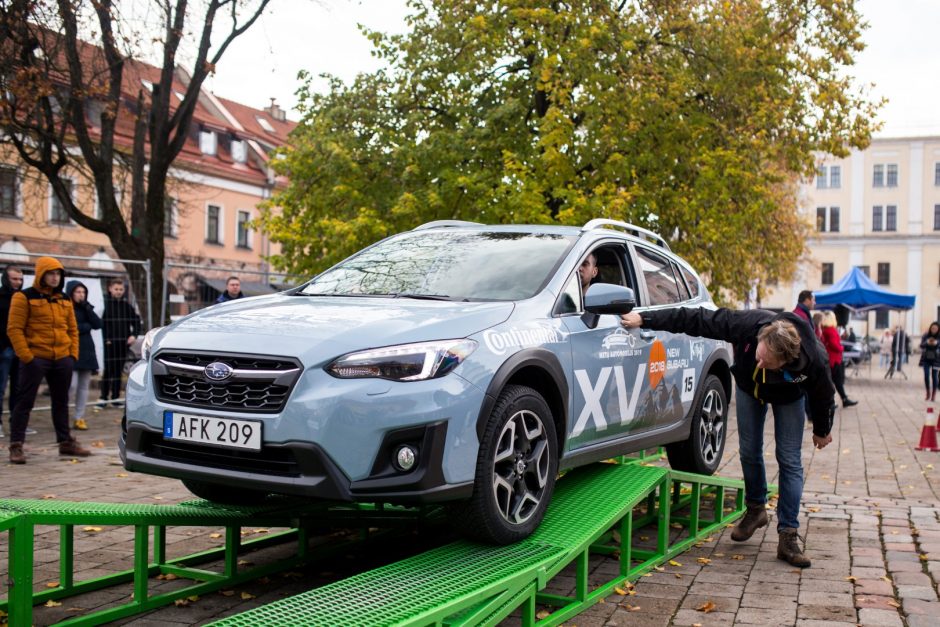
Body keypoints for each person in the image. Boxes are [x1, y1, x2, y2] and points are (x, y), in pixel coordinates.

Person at [621, 307, 835, 568]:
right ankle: (756, 509)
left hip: (789, 397)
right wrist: (646, 318)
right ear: (761, 338)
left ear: (784, 362)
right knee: (748, 450)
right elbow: (698, 319)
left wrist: (822, 430)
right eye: (759, 354)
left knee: (789, 459)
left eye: (766, 362)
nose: (760, 362)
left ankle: (788, 535)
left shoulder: (813, 360)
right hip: (749, 388)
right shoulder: (748, 325)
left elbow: (824, 394)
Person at [6, 257, 91, 463]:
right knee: (24, 401)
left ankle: (65, 443)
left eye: (58, 274)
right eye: (51, 273)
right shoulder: (23, 297)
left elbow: (72, 329)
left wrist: (72, 356)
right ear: (41, 274)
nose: (55, 278)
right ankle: (16, 445)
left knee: (61, 401)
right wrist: (27, 356)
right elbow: (14, 329)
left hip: (62, 358)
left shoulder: (64, 299)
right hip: (36, 358)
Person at [66, 280, 102, 430]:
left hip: (87, 350)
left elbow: (98, 324)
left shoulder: (87, 308)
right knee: (71, 385)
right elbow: (70, 327)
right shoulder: (67, 308)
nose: (81, 295)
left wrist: (88, 309)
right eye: (78, 292)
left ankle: (79, 417)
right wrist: (85, 326)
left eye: (83, 292)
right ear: (71, 293)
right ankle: (63, 415)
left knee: (83, 386)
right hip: (72, 349)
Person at [101, 278, 141, 405]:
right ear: (110, 289)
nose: (118, 292)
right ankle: (103, 397)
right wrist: (106, 339)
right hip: (109, 343)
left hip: (123, 343)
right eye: (116, 289)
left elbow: (136, 321)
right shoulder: (105, 305)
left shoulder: (126, 306)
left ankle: (116, 398)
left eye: (121, 289)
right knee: (108, 370)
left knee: (118, 371)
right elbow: (103, 324)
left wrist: (134, 335)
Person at [0, 265, 25, 438]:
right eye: (14, 279)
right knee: (0, 388)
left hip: (20, 350)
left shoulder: (23, 298)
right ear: (6, 279)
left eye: (20, 279)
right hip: (3, 349)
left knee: (19, 389)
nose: (18, 282)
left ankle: (16, 424)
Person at [819, 311, 858, 408]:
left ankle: (843, 399)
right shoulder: (831, 330)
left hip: (832, 359)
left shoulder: (825, 329)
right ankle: (833, 401)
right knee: (833, 382)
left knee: (835, 382)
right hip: (834, 360)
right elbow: (834, 345)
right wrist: (841, 348)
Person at [920, 322, 940, 402]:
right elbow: (921, 345)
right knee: (926, 375)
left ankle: (933, 394)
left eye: (935, 328)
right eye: (932, 328)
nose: (933, 330)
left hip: (936, 359)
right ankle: (928, 392)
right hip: (926, 358)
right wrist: (927, 342)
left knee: (934, 376)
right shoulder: (926, 335)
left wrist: (937, 343)